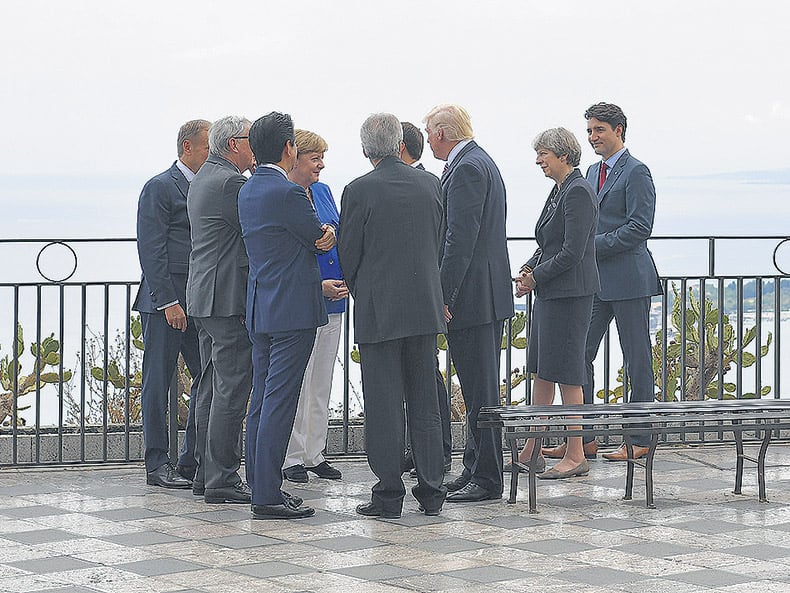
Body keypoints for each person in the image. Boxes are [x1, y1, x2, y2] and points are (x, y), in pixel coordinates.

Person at [339, 113, 447, 518]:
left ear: (367, 149)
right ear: (401, 142)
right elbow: (438, 240)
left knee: (384, 405)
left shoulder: (358, 190)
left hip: (378, 310)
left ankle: (388, 494)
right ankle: (432, 490)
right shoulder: (430, 183)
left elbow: (349, 253)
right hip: (423, 306)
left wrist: (360, 283)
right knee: (425, 403)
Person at [544, 102, 661, 462]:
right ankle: (585, 439)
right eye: (590, 131)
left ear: (619, 131)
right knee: (579, 358)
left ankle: (640, 438)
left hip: (628, 280)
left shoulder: (637, 171)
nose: (593, 137)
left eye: (600, 130)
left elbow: (640, 228)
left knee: (636, 359)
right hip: (594, 284)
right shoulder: (591, 172)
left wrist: (588, 247)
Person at [240, 112, 335, 520]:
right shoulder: (288, 193)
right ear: (287, 148)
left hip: (262, 305)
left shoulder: (248, 190)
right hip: (293, 309)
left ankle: (261, 485)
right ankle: (268, 495)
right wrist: (328, 234)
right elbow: (318, 238)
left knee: (261, 399)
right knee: (280, 400)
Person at [423, 104, 514, 503]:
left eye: (429, 133)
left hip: (475, 298)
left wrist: (443, 296)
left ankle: (488, 477)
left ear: (443, 133)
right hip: (483, 294)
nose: (427, 140)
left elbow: (460, 239)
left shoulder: (467, 170)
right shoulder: (476, 163)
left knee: (480, 392)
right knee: (479, 387)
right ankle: (474, 467)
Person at [512, 127, 599, 480]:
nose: (538, 160)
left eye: (543, 153)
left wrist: (537, 278)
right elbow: (549, 242)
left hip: (571, 296)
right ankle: (532, 449)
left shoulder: (577, 191)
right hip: (553, 294)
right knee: (543, 371)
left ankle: (576, 453)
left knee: (567, 373)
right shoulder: (559, 190)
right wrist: (530, 267)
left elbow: (572, 252)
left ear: (563, 155)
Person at [134, 119, 210, 488]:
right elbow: (151, 249)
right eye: (208, 148)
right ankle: (156, 465)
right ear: (187, 148)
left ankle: (190, 460)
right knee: (159, 382)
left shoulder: (206, 188)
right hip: (165, 303)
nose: (212, 155)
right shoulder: (160, 187)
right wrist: (167, 301)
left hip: (199, 300)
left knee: (208, 375)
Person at [186, 116, 255, 504]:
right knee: (231, 389)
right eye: (249, 140)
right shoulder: (231, 182)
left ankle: (205, 472)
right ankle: (223, 478)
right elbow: (253, 231)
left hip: (205, 296)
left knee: (210, 387)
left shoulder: (203, 178)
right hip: (225, 298)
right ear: (233, 144)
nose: (254, 147)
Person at [281, 129, 347, 484]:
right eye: (314, 157)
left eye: (323, 157)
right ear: (296, 158)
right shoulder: (287, 195)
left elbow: (335, 225)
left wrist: (333, 234)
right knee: (300, 381)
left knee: (322, 381)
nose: (321, 164)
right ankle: (291, 455)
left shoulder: (322, 191)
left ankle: (314, 452)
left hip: (334, 301)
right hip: (304, 300)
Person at [398, 121, 453, 476]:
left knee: (426, 378)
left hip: (416, 295)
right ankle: (426, 449)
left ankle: (437, 450)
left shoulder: (424, 184)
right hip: (420, 294)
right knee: (422, 377)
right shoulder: (429, 182)